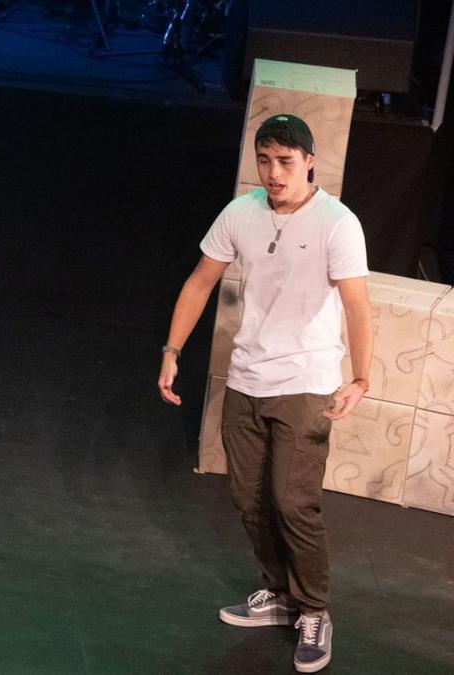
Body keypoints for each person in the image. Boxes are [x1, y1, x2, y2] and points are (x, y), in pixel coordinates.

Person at [158, 114, 372, 673]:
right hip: (246, 379)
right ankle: (279, 594)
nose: (273, 173)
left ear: (308, 161)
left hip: (306, 383)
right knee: (249, 499)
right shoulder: (240, 213)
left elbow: (356, 305)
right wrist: (172, 350)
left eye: (284, 161)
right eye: (264, 160)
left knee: (291, 501)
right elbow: (201, 281)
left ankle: (315, 609)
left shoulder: (336, 223)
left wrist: (362, 378)